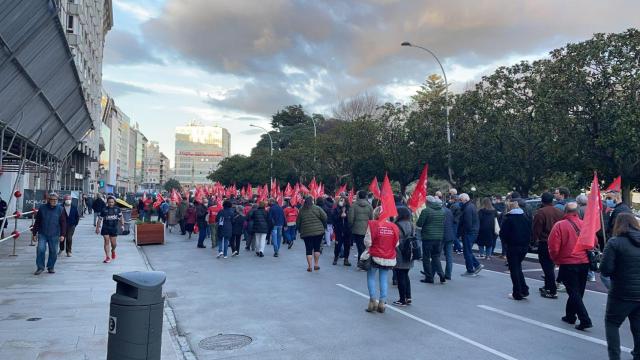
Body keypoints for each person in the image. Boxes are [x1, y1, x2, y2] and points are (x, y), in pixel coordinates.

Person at [600, 213, 640, 360]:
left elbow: (605, 269)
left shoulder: (615, 242)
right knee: (638, 327)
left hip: (621, 292)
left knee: (612, 323)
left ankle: (615, 357)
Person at [548, 202, 593, 331]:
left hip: (568, 262)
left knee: (573, 291)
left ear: (565, 211)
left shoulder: (560, 225)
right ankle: (570, 315)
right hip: (584, 262)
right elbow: (593, 242)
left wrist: (556, 260)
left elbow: (553, 247)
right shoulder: (585, 225)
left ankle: (584, 319)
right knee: (578, 291)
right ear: (577, 211)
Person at [364, 207, 399, 314]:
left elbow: (367, 242)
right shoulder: (394, 226)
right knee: (383, 278)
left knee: (371, 277)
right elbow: (397, 244)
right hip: (388, 256)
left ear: (376, 214)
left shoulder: (373, 224)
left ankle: (372, 301)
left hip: (375, 255)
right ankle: (382, 303)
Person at [532, 192, 565, 299]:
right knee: (550, 265)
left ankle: (552, 289)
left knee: (547, 267)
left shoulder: (541, 212)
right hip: (557, 242)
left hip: (545, 242)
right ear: (552, 200)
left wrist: (533, 241)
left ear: (542, 200)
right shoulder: (560, 212)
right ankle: (548, 286)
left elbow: (536, 229)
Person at [499, 200, 532, 300]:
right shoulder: (525, 217)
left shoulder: (508, 219)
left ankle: (517, 292)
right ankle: (524, 289)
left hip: (513, 246)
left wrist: (506, 243)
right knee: (518, 268)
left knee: (514, 269)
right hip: (524, 246)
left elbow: (503, 234)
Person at [32, 192, 67, 275]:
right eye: (52, 200)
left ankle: (50, 267)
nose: (54, 201)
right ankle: (40, 267)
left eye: (56, 200)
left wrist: (62, 234)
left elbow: (63, 223)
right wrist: (34, 233)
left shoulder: (60, 209)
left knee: (54, 251)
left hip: (54, 234)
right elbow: (37, 222)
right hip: (42, 233)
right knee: (40, 250)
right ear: (48, 200)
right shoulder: (42, 208)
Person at [416, 196, 446, 284]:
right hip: (439, 237)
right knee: (436, 256)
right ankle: (442, 274)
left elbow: (419, 223)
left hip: (428, 237)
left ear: (427, 202)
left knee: (426, 257)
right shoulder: (442, 211)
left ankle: (429, 277)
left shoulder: (426, 211)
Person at [297, 196, 327, 271]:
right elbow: (325, 217)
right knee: (317, 248)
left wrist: (299, 230)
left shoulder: (301, 210)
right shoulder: (317, 208)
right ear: (312, 201)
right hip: (318, 232)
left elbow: (298, 221)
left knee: (308, 249)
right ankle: (316, 264)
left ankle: (310, 266)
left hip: (306, 232)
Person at [393, 207, 414, 306]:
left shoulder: (396, 225)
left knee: (400, 276)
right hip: (410, 253)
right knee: (406, 275)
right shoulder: (411, 224)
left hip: (399, 253)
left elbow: (394, 240)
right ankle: (408, 297)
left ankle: (402, 299)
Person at [459, 193, 483, 276]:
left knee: (467, 251)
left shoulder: (468, 208)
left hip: (469, 233)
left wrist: (463, 233)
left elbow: (467, 223)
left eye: (461, 199)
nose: (460, 201)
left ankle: (470, 270)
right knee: (468, 250)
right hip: (472, 232)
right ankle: (476, 265)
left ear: (465, 199)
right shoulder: (471, 206)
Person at [95, 196, 124, 264]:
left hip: (114, 228)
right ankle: (107, 257)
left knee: (114, 244)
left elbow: (121, 217)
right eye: (109, 202)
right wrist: (97, 228)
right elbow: (100, 219)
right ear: (107, 202)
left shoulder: (117, 209)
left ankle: (113, 250)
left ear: (114, 202)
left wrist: (122, 225)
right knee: (106, 241)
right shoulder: (104, 209)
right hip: (105, 228)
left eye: (112, 202)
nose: (110, 203)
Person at [349, 190, 374, 263]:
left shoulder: (354, 205)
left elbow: (351, 218)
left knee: (359, 246)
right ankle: (363, 262)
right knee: (365, 246)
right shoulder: (369, 206)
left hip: (356, 229)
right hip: (366, 228)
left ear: (358, 196)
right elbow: (371, 218)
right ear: (366, 196)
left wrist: (350, 226)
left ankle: (360, 262)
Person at [332, 196, 351, 266]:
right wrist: (340, 215)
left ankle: (346, 259)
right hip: (339, 230)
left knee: (347, 245)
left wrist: (346, 216)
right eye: (341, 200)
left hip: (347, 230)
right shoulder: (335, 209)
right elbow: (334, 218)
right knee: (337, 245)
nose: (342, 202)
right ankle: (336, 258)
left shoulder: (349, 209)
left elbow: (351, 219)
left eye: (343, 201)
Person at [442, 204, 456, 280]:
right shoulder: (449, 211)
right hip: (450, 235)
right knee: (449, 256)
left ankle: (432, 272)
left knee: (436, 256)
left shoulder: (440, 211)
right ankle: (448, 274)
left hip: (442, 236)